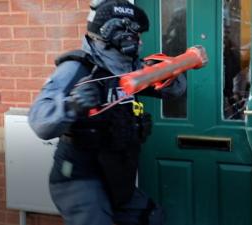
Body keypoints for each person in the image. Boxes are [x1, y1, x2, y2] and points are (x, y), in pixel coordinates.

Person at [28, 0, 186, 225]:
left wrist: (167, 72)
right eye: (133, 34)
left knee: (151, 217)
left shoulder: (132, 69)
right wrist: (73, 105)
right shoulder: (76, 68)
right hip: (80, 177)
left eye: (138, 35)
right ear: (113, 33)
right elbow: (40, 121)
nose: (138, 41)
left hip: (116, 173)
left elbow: (176, 90)